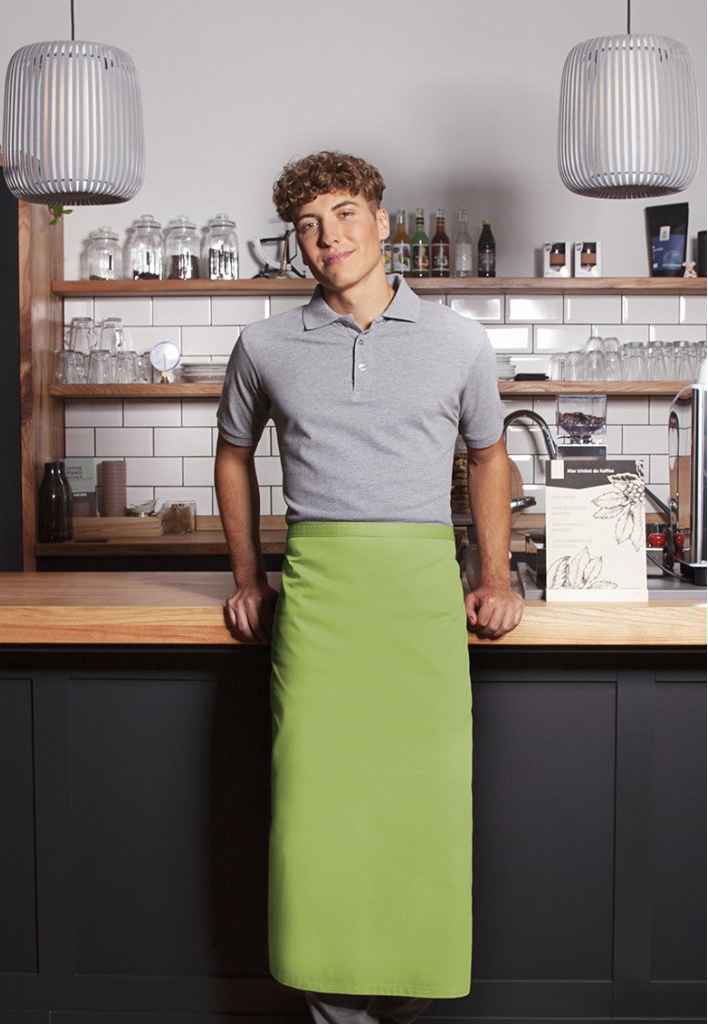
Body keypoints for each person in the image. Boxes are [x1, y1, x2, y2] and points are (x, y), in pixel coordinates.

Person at [215, 151, 522, 1024]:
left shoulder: (459, 340)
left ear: (382, 222)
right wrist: (248, 577)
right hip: (320, 606)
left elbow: (489, 456)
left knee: (423, 818)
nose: (328, 237)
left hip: (421, 605)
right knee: (317, 824)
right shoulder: (265, 344)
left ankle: (404, 1007)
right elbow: (232, 455)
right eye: (308, 225)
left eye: (344, 214)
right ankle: (331, 1010)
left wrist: (494, 575)